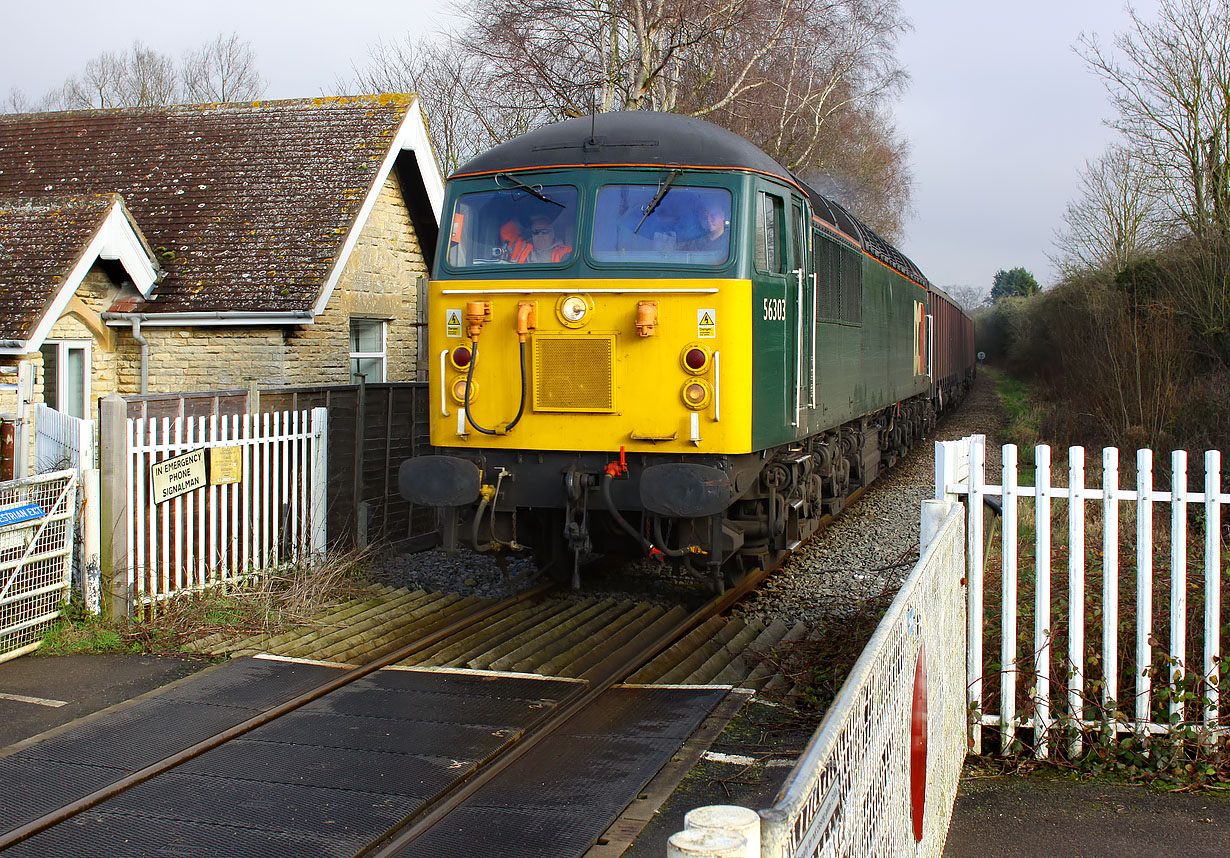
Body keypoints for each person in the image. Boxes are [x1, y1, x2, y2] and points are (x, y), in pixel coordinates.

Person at [500, 215, 572, 263]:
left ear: (552, 233)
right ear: (532, 234)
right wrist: (524, 220)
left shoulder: (566, 252)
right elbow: (506, 232)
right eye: (536, 232)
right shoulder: (520, 248)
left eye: (544, 231)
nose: (540, 235)